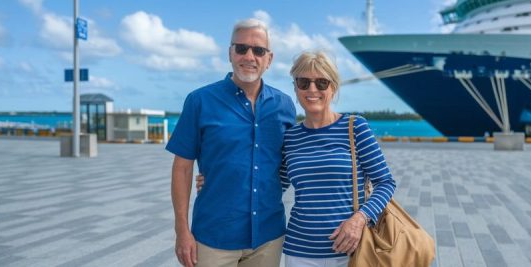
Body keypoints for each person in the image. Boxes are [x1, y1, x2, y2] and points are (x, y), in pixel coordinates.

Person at [166, 18, 296, 267]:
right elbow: (182, 167)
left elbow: (293, 159)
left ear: (269, 59)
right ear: (230, 53)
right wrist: (182, 231)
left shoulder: (284, 106)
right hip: (214, 237)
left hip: (268, 237)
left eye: (258, 50)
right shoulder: (199, 101)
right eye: (241, 48)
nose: (249, 56)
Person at [280, 51, 397, 266]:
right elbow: (273, 186)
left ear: (333, 88)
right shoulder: (290, 137)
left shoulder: (355, 127)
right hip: (300, 251)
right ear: (295, 88)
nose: (312, 89)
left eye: (321, 83)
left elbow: (386, 182)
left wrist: (360, 219)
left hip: (352, 250)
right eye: (304, 82)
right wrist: (219, 180)